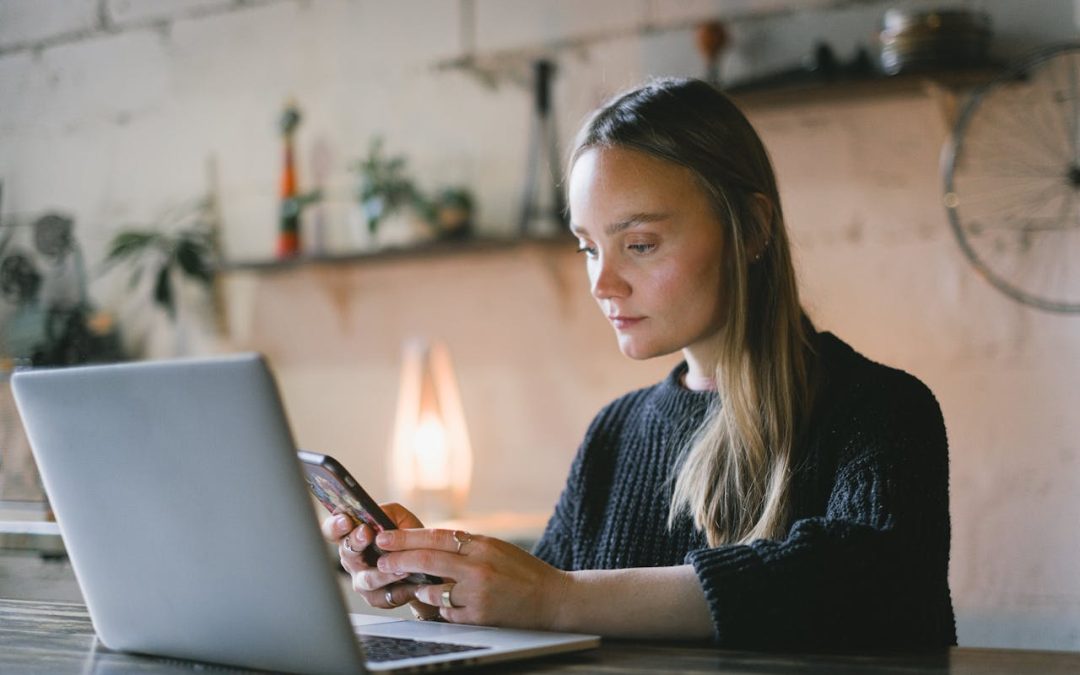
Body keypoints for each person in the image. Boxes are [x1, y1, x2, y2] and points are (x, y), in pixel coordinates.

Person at [321, 77, 957, 650]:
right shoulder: (615, 432)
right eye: (589, 247)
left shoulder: (881, 410)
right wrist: (439, 583)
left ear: (754, 228)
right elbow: (539, 622)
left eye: (641, 244)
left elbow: (859, 582)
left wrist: (556, 596)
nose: (603, 282)